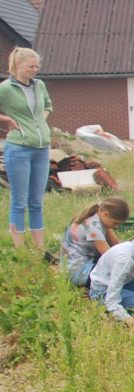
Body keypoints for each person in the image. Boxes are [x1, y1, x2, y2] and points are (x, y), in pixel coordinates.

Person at [0, 48, 53, 252]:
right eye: (31, 66)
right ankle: (20, 249)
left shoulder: (39, 85)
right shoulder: (6, 88)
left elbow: (48, 105)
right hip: (19, 149)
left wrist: (40, 121)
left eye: (36, 66)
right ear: (18, 65)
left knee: (37, 201)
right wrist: (6, 119)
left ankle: (40, 248)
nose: (35, 70)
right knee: (19, 201)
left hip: (41, 148)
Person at [60, 197, 129, 287]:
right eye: (115, 223)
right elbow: (109, 254)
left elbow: (115, 243)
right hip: (77, 271)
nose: (116, 227)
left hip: (86, 263)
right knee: (117, 275)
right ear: (106, 214)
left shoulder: (101, 219)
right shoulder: (93, 226)